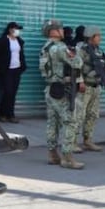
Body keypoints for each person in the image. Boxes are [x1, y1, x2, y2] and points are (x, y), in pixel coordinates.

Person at [40, 19, 84, 169]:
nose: (63, 31)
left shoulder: (46, 47)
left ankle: (52, 154)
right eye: (60, 28)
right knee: (71, 122)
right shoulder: (60, 48)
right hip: (62, 90)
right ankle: (67, 157)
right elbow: (77, 63)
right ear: (54, 31)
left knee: (52, 122)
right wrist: (76, 54)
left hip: (50, 89)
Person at [76, 26, 105, 152]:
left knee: (93, 115)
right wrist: (80, 82)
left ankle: (88, 140)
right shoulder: (81, 50)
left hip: (96, 87)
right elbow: (76, 68)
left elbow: (104, 66)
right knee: (79, 115)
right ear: (91, 36)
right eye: (98, 36)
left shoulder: (99, 51)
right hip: (85, 87)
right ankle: (72, 142)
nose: (100, 38)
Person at [0, 21, 26, 123]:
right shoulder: (3, 41)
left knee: (13, 93)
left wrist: (22, 66)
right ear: (10, 30)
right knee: (8, 92)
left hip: (16, 70)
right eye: (16, 29)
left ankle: (11, 114)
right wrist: (0, 68)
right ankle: (2, 114)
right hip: (6, 71)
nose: (18, 31)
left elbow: (21, 54)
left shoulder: (19, 41)